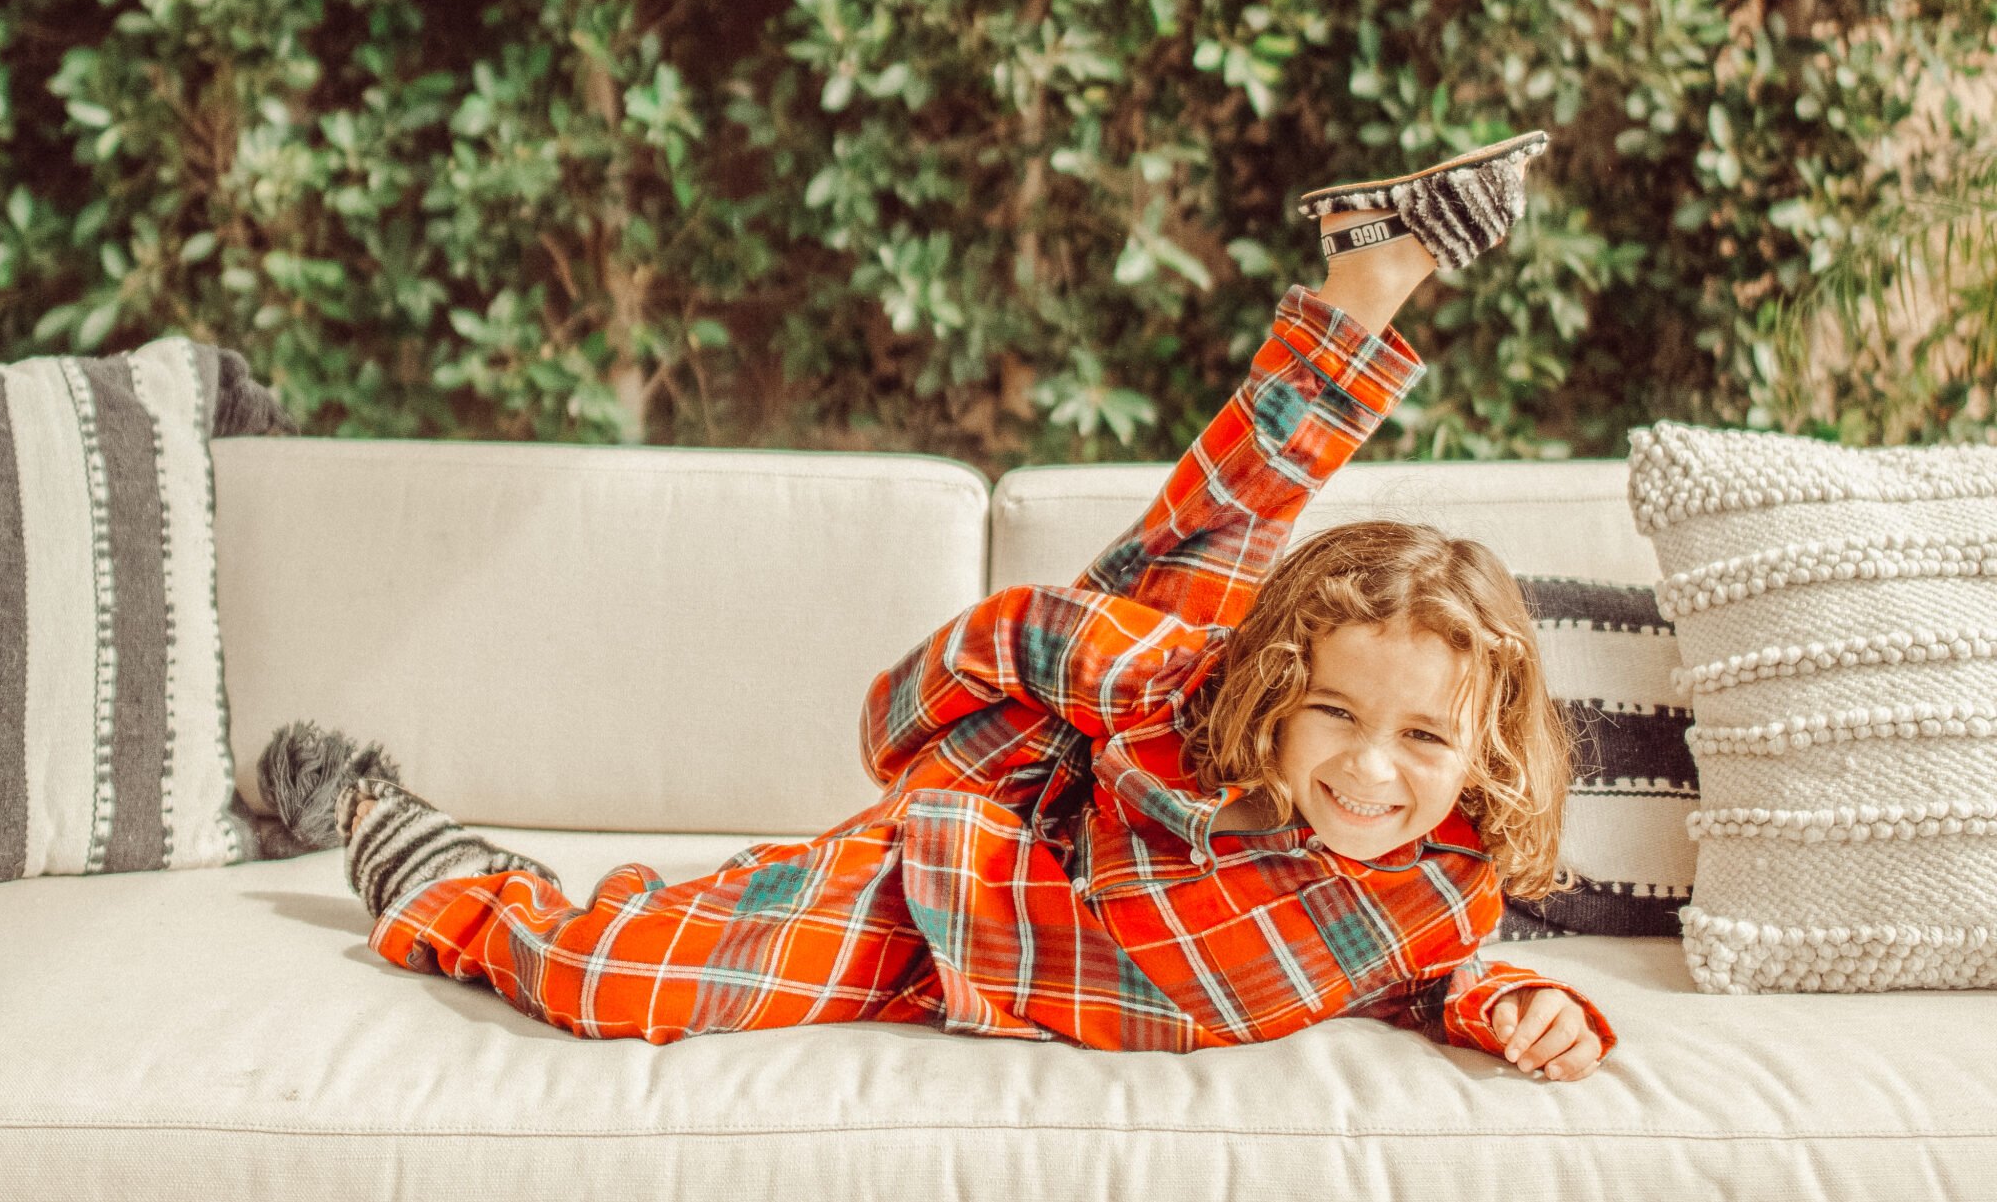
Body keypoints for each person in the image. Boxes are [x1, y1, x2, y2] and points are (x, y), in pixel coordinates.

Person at [256, 131, 1614, 1079]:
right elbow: (1008, 637)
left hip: (1027, 942)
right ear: (1286, 706)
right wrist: (914, 748)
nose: (1373, 768)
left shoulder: (1439, 889)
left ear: (1485, 754)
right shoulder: (1197, 693)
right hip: (957, 860)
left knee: (1220, 579)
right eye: (1337, 717)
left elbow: (1464, 978)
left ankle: (1366, 271)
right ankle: (415, 846)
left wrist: (1534, 1007)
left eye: (1425, 742)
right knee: (606, 982)